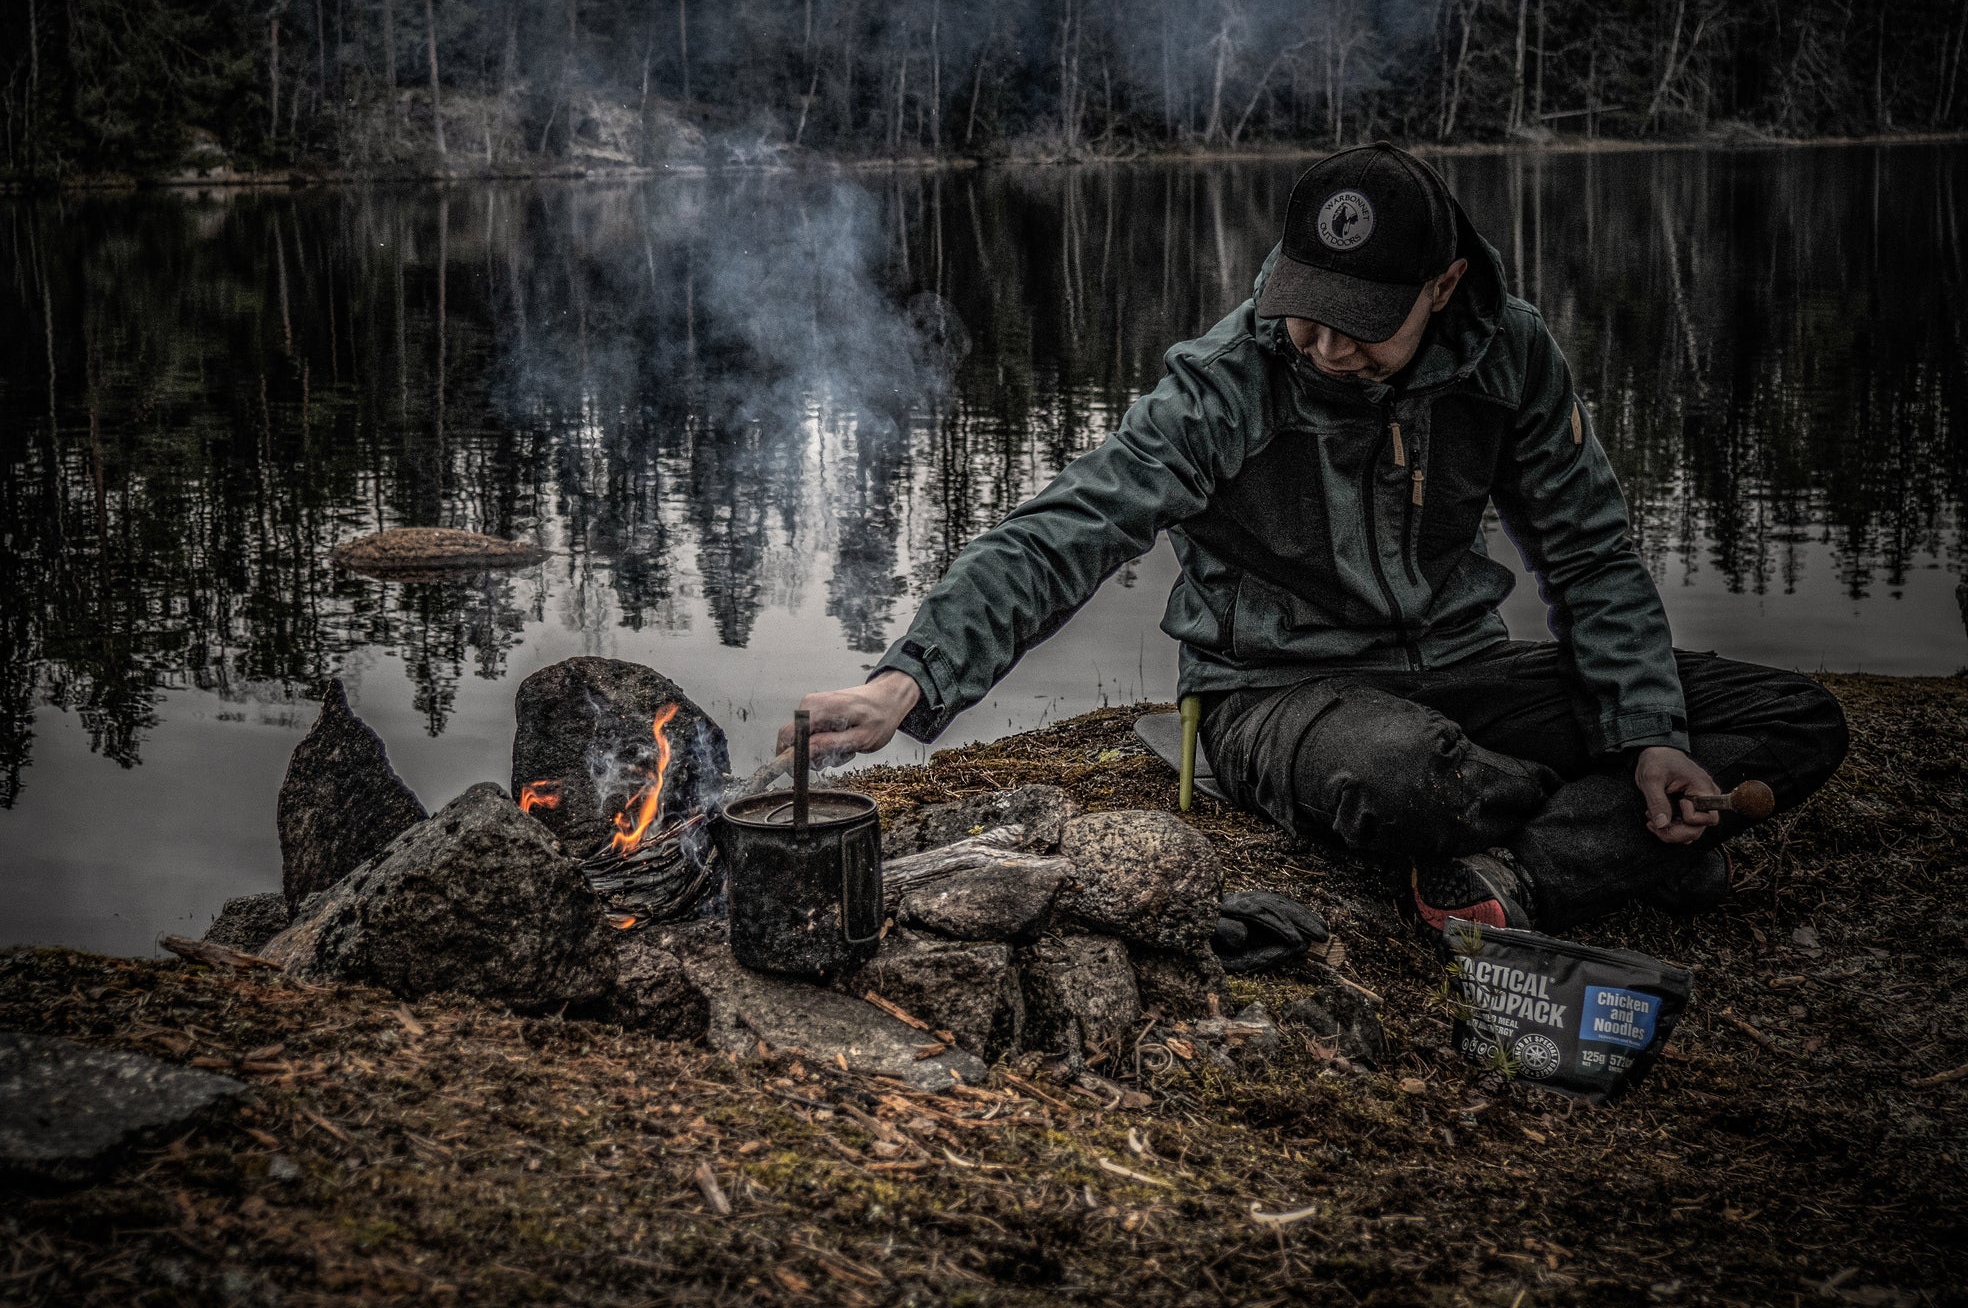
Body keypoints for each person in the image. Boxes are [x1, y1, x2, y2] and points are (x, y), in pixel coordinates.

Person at [779, 144, 1848, 931]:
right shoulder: (1225, 381)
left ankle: (1514, 872)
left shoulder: (1509, 357)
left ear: (1441, 287)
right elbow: (1063, 531)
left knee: (1791, 719)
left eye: (1361, 322)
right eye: (1308, 310)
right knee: (1408, 774)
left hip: (1463, 670)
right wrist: (905, 681)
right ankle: (1615, 850)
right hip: (1272, 697)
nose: (1326, 346)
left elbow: (1590, 553)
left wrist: (1649, 727)